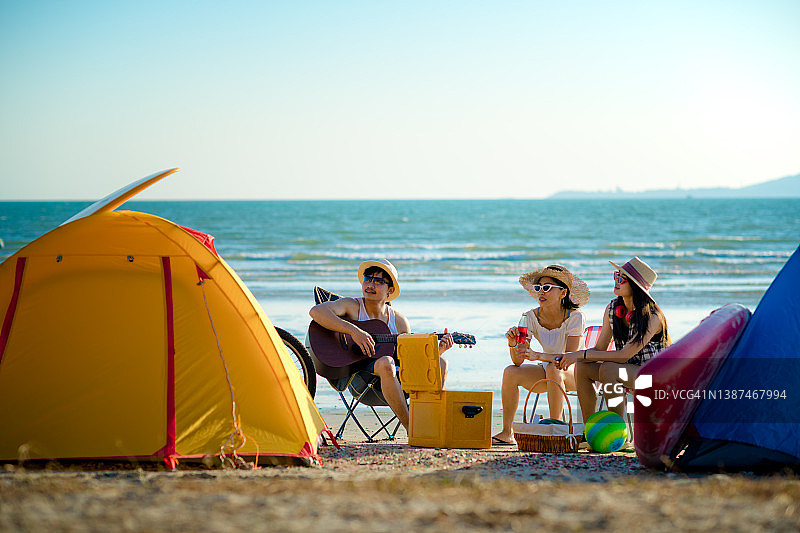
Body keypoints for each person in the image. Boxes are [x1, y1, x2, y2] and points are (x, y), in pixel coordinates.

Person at [309, 258, 453, 430]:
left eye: (378, 281)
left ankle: (430, 423)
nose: (370, 284)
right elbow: (316, 311)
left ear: (390, 290)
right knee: (386, 362)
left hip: (396, 384)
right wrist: (354, 331)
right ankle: (411, 428)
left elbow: (408, 360)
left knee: (441, 363)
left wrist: (436, 352)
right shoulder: (352, 306)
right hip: (360, 381)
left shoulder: (399, 321)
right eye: (368, 278)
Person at [554, 256, 671, 421]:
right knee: (583, 367)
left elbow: (624, 355)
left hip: (654, 376)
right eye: (616, 275)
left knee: (609, 368)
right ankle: (591, 429)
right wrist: (576, 357)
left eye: (622, 278)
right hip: (630, 370)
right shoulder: (613, 309)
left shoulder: (652, 317)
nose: (617, 280)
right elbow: (600, 348)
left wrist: (580, 354)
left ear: (636, 286)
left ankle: (616, 430)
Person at [492, 265, 590, 446]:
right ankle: (507, 432)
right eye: (538, 288)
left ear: (563, 293)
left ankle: (557, 431)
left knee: (554, 368)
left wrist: (537, 355)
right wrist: (513, 344)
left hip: (577, 374)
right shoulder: (530, 316)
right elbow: (518, 361)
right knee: (510, 372)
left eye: (547, 287)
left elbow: (568, 357)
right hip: (548, 370)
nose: (540, 292)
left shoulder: (575, 316)